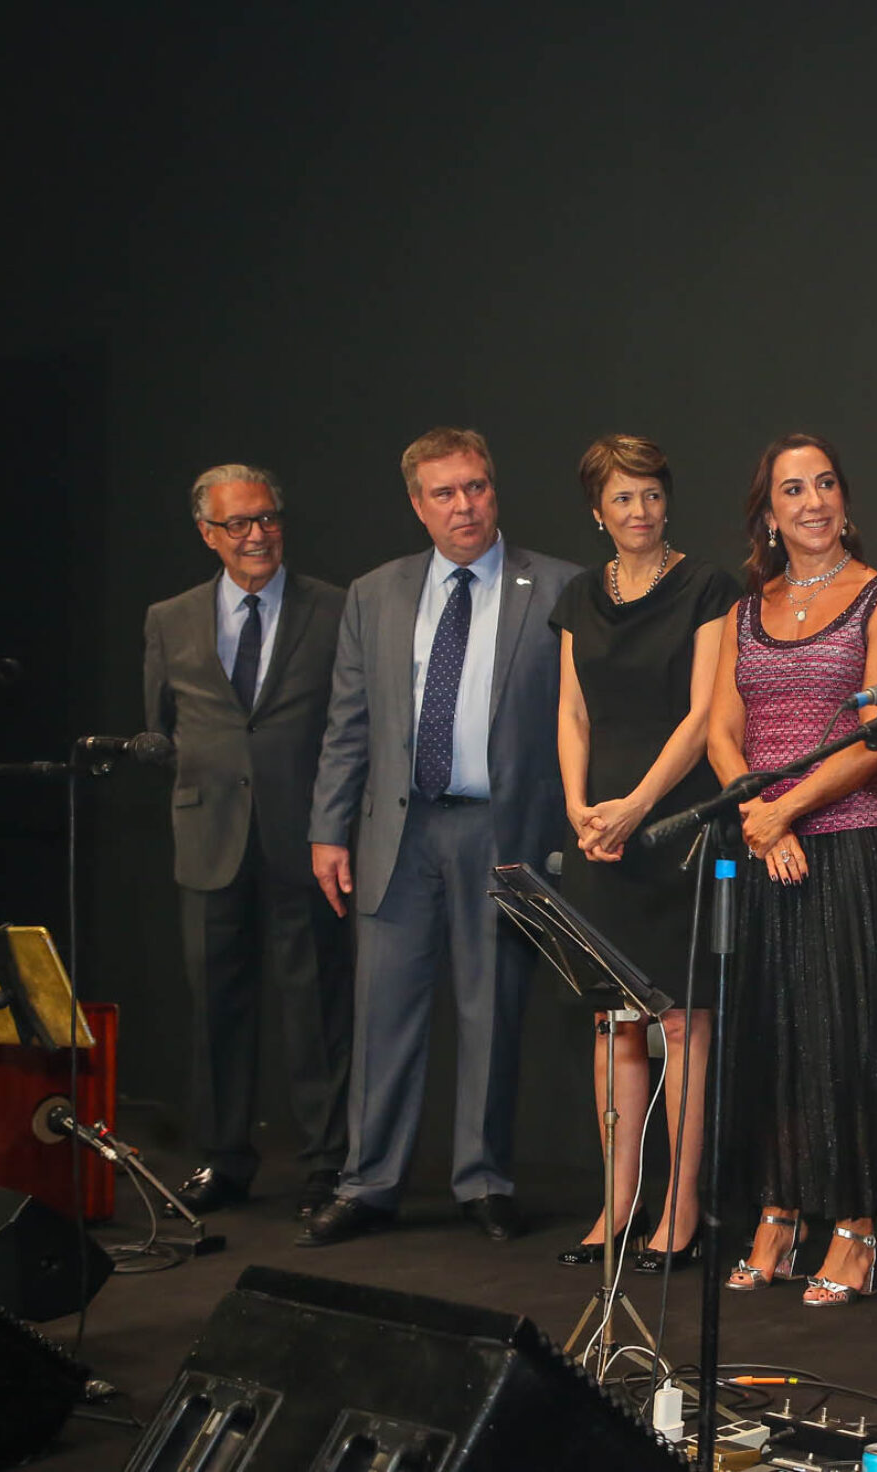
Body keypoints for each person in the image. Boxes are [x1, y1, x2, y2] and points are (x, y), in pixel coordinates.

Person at [300, 427, 580, 1247]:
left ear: (495, 489)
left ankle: (483, 1180)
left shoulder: (557, 586)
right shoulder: (375, 592)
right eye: (445, 493)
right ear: (417, 505)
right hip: (399, 828)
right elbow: (348, 722)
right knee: (382, 1012)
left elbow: (579, 720)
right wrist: (327, 829)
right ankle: (368, 1183)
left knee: (491, 1011)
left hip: (501, 828)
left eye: (476, 487)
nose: (465, 506)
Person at [707, 432, 877, 1307]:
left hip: (850, 845)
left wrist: (787, 810)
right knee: (770, 1038)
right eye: (793, 490)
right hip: (764, 847)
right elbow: (723, 730)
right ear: (769, 514)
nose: (813, 502)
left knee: (846, 1040)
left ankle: (856, 1225)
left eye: (826, 484)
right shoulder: (747, 610)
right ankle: (778, 1211)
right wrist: (760, 822)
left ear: (845, 500)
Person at [549, 434, 738, 1271]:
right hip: (599, 827)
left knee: (681, 1020)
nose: (640, 511)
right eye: (623, 498)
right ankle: (617, 1205)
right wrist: (579, 808)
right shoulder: (578, 595)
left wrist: (636, 807)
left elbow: (703, 719)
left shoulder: (708, 587)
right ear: (598, 511)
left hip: (674, 822)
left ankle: (680, 1208)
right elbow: (572, 712)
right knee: (613, 1022)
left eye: (652, 495)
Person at [143, 464, 351, 1219]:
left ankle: (327, 1165)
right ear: (208, 534)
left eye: (267, 518)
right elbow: (161, 727)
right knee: (216, 1011)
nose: (257, 534)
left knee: (317, 1010)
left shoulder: (335, 608)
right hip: (210, 838)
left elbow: (351, 723)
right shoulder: (169, 618)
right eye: (238, 523)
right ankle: (222, 1160)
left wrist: (337, 823)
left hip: (307, 837)